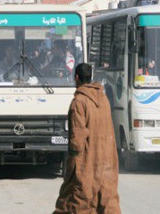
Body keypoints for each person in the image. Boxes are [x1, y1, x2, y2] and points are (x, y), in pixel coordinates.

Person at [53, 63, 121, 214]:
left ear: (76, 78)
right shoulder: (103, 99)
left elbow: (77, 138)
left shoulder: (79, 102)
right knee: (106, 198)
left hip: (87, 160)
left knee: (78, 199)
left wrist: (72, 162)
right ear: (90, 78)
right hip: (106, 157)